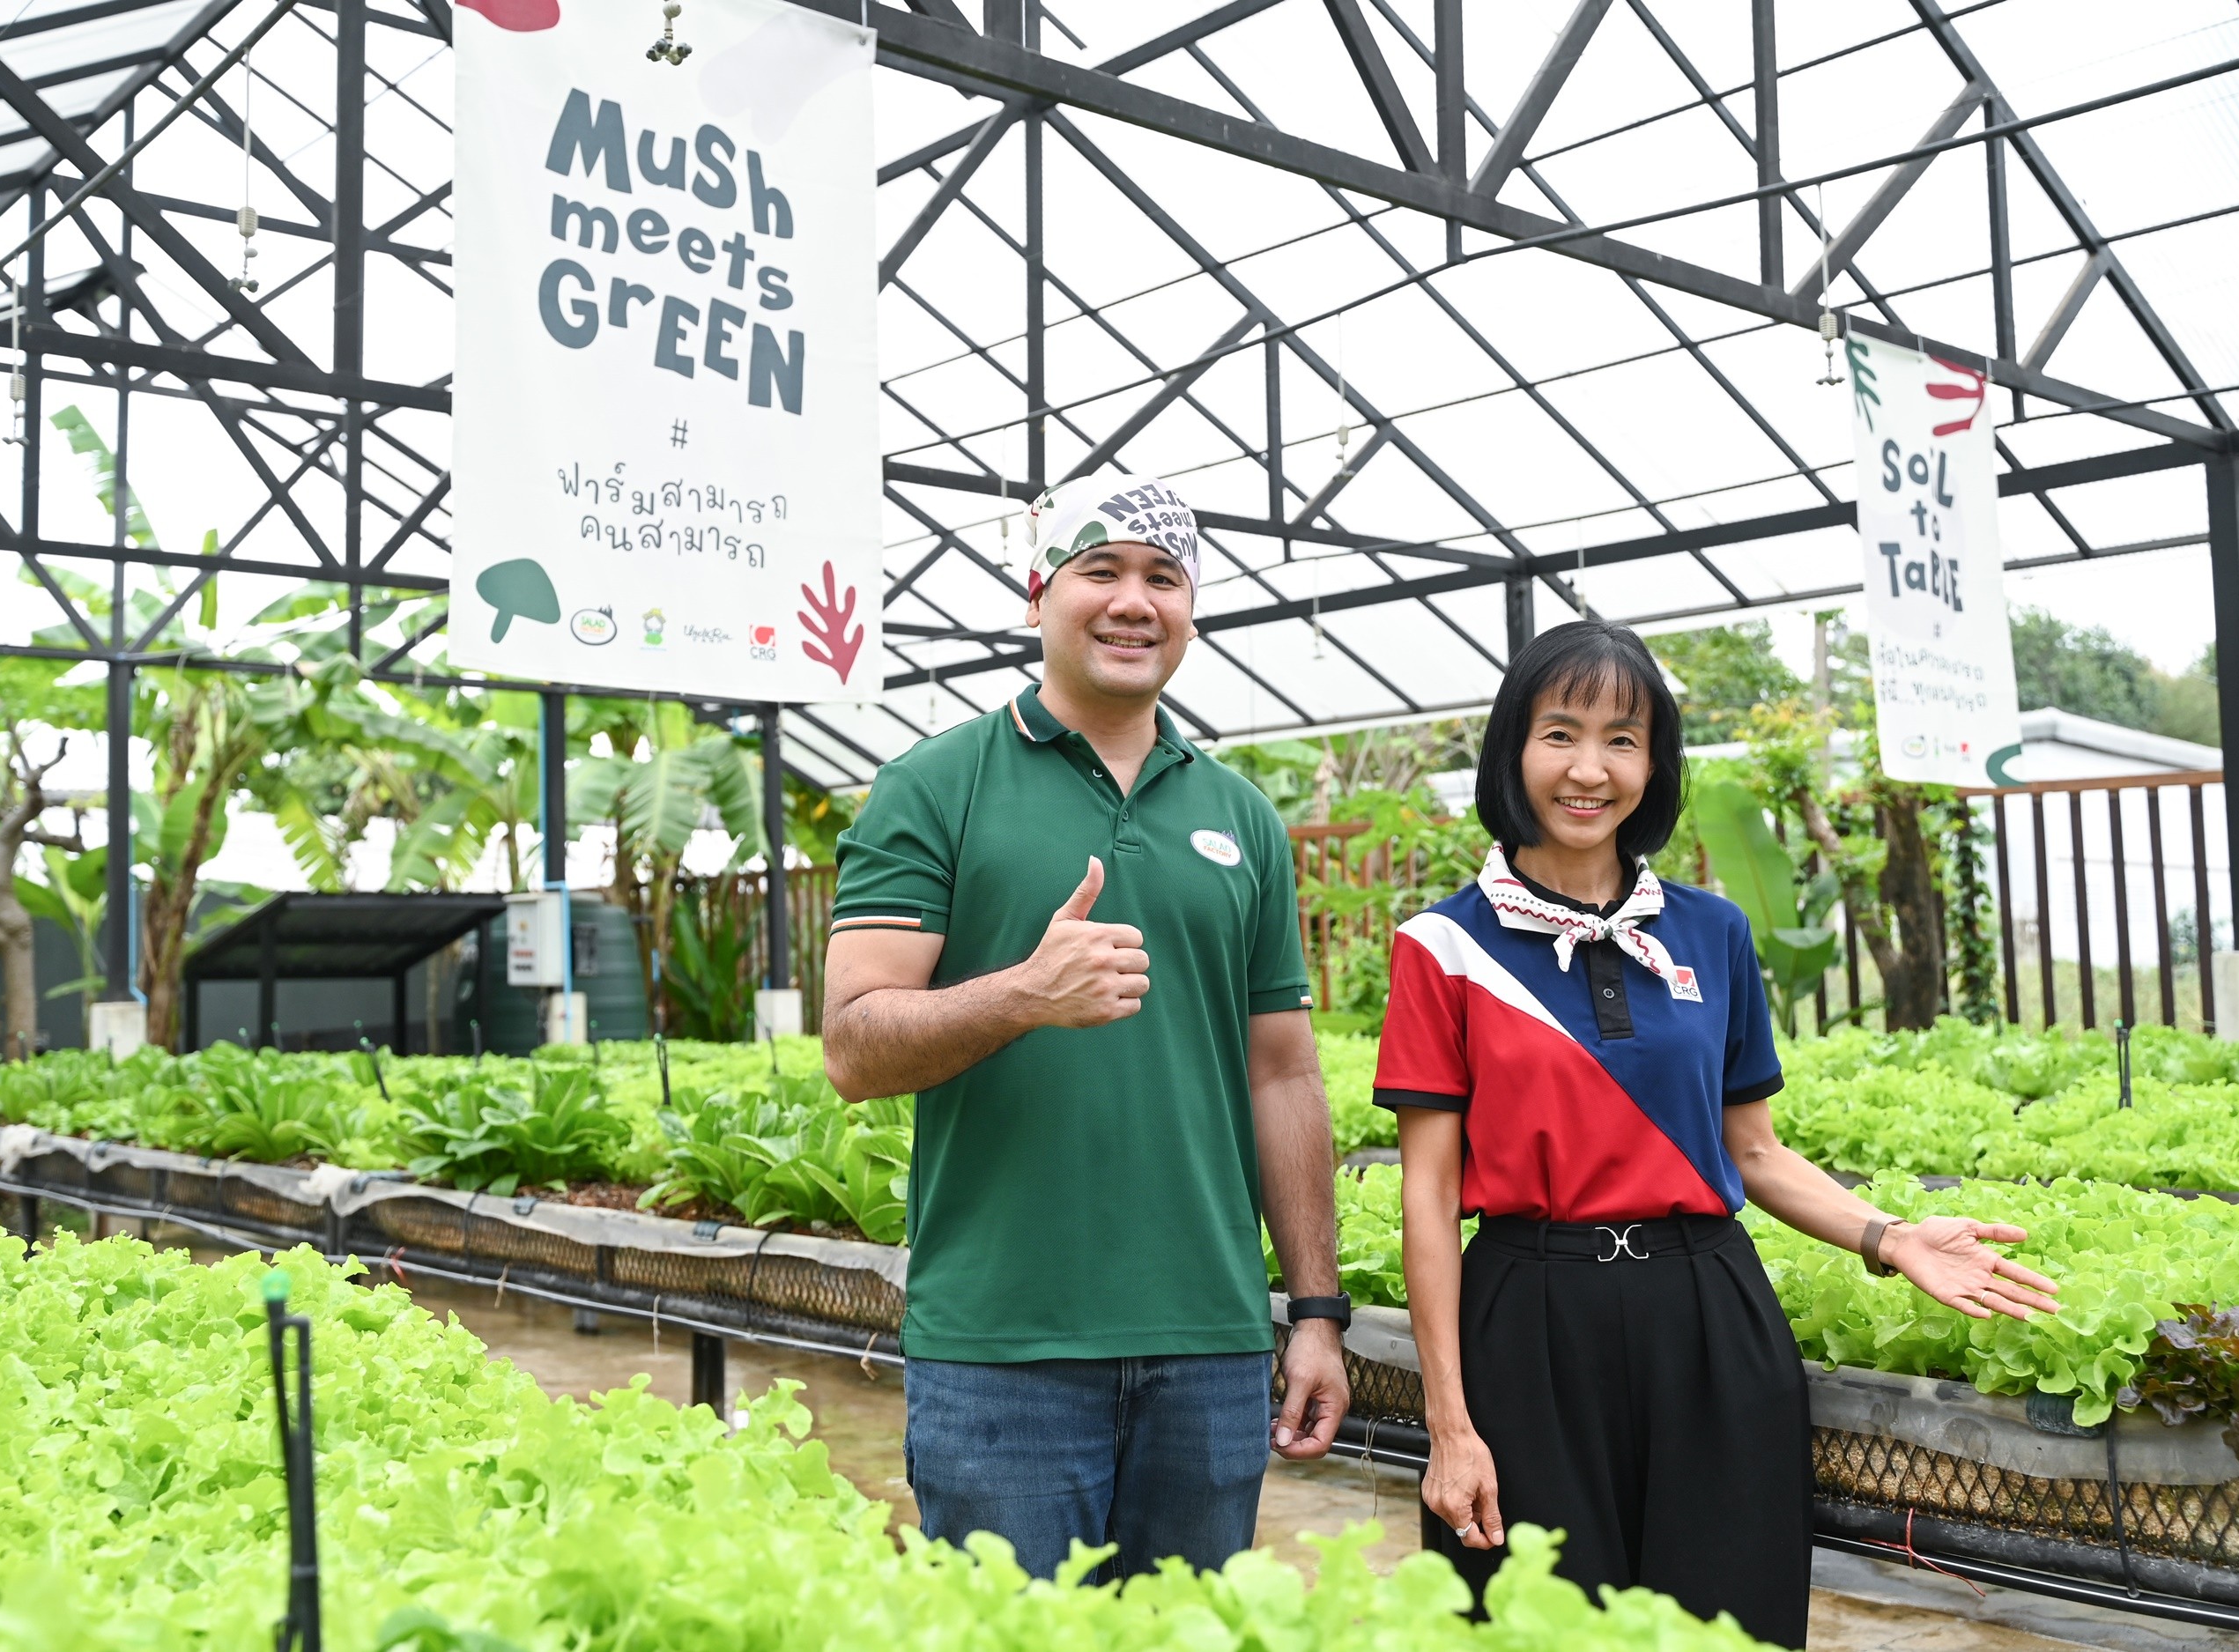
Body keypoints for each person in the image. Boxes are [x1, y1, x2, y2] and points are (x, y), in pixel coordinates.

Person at [1375, 620, 2057, 1648]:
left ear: (1654, 765)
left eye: (1622, 740)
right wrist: (1449, 1423)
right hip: (1526, 1324)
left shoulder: (1710, 930)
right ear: (1511, 748)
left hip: (1704, 1313)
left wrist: (1889, 1237)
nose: (1589, 770)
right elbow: (1427, 1198)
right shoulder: (1442, 946)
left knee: (1727, 1620)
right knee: (1531, 1624)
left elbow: (1753, 1152)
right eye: (1560, 734)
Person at [821, 473, 1352, 1582]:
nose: (1132, 601)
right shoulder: (934, 786)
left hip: (1208, 1347)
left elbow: (1281, 1074)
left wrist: (1314, 1312)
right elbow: (853, 1048)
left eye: (1163, 578)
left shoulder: (1240, 815)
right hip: (1002, 1351)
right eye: (1098, 570)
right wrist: (1023, 993)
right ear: (1037, 597)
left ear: (1189, 610)